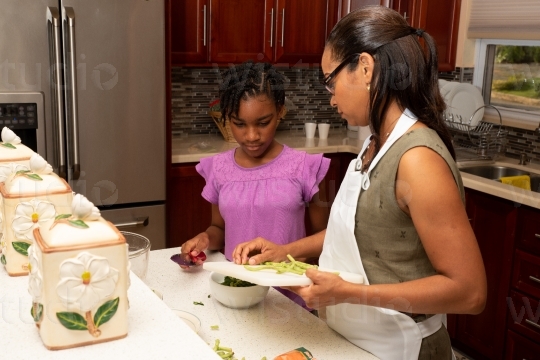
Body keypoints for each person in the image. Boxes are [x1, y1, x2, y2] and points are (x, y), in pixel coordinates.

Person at [232, 6, 487, 360]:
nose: (330, 96)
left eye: (330, 80)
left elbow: (469, 293)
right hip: (353, 342)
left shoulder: (418, 160)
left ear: (365, 68)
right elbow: (359, 230)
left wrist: (348, 293)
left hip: (402, 348)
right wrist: (285, 252)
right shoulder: (373, 143)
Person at [180, 61, 331, 305]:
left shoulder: (305, 167)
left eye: (263, 123)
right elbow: (218, 229)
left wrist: (285, 253)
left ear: (280, 111)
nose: (251, 136)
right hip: (236, 292)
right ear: (227, 118)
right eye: (239, 124)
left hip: (289, 297)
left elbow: (326, 238)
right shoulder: (219, 168)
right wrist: (204, 239)